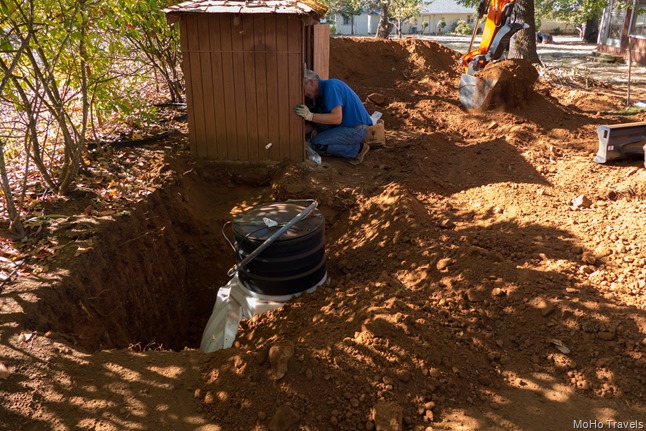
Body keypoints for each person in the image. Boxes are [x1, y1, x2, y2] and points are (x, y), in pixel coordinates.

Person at [293, 69, 373, 165]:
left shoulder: (331, 87)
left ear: (311, 82)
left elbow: (336, 118)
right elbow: (314, 123)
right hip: (347, 126)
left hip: (357, 129)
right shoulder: (319, 96)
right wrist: (294, 134)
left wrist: (310, 116)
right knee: (318, 123)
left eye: (303, 89)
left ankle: (357, 149)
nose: (305, 94)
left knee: (316, 144)